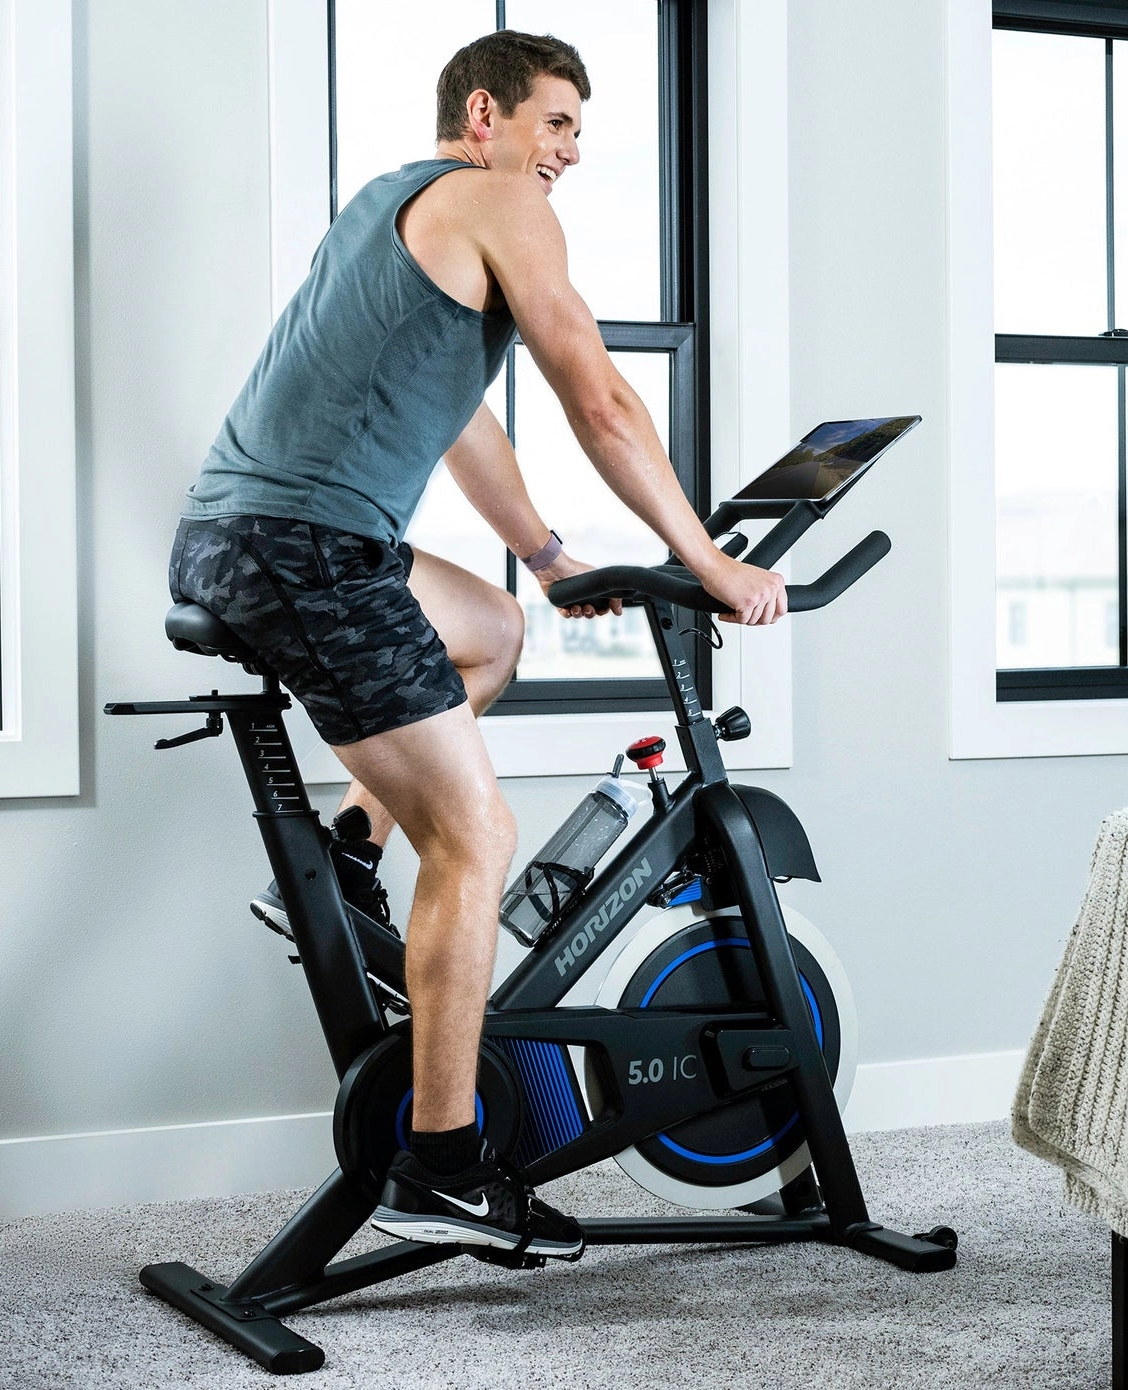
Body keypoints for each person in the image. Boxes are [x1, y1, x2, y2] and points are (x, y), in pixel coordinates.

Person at [168, 30, 786, 1259]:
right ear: (487, 114)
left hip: (240, 539)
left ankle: (347, 853)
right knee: (477, 837)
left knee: (491, 632)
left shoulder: (391, 205)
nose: (568, 154)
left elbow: (459, 424)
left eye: (577, 133)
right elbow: (599, 398)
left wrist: (545, 557)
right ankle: (441, 1163)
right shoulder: (502, 202)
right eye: (555, 123)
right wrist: (712, 564)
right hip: (309, 552)